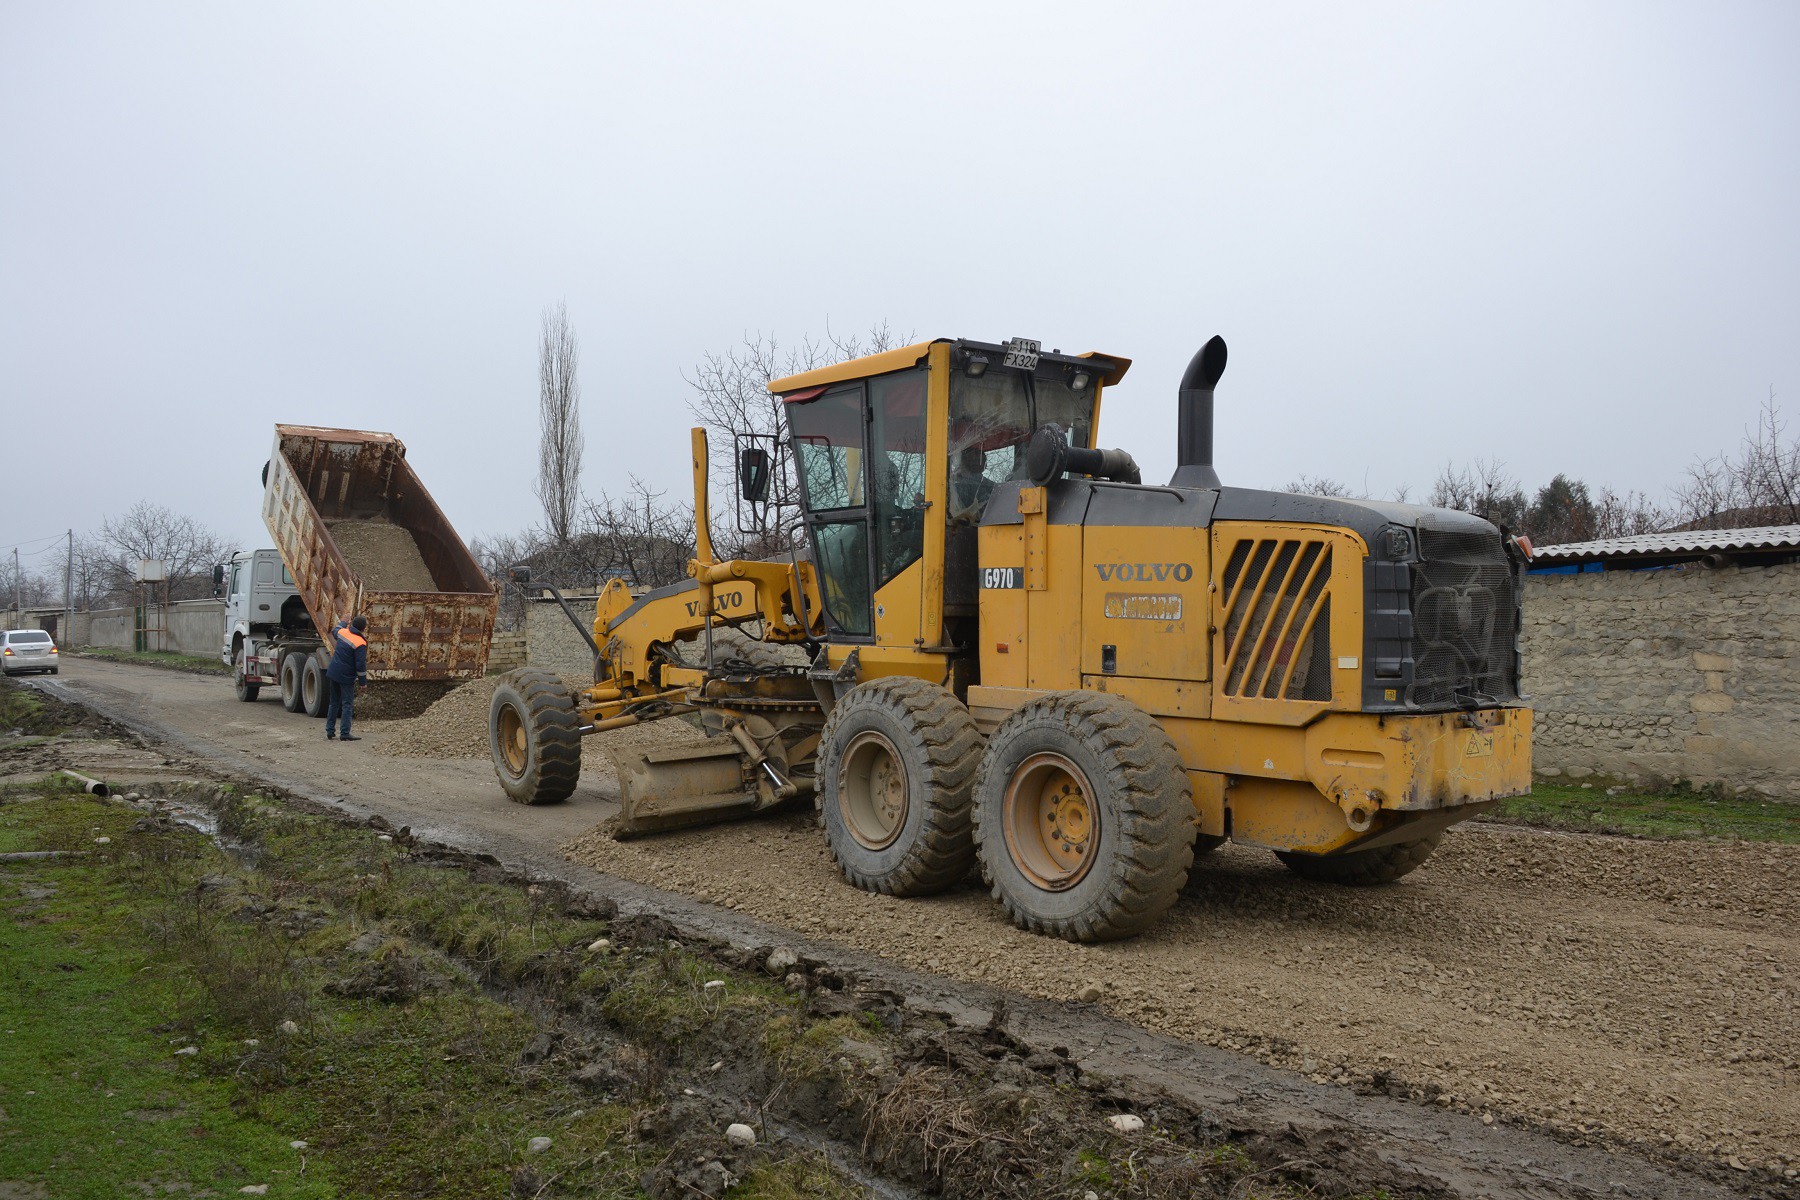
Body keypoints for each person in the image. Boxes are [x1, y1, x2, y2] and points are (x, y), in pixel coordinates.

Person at [325, 615, 369, 742]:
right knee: (347, 705)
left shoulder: (342, 632)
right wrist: (363, 683)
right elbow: (360, 665)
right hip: (346, 677)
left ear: (352, 624)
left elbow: (335, 630)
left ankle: (330, 731)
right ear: (363, 629)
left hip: (333, 672)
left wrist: (344, 621)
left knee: (333, 702)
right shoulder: (360, 642)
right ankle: (344, 733)